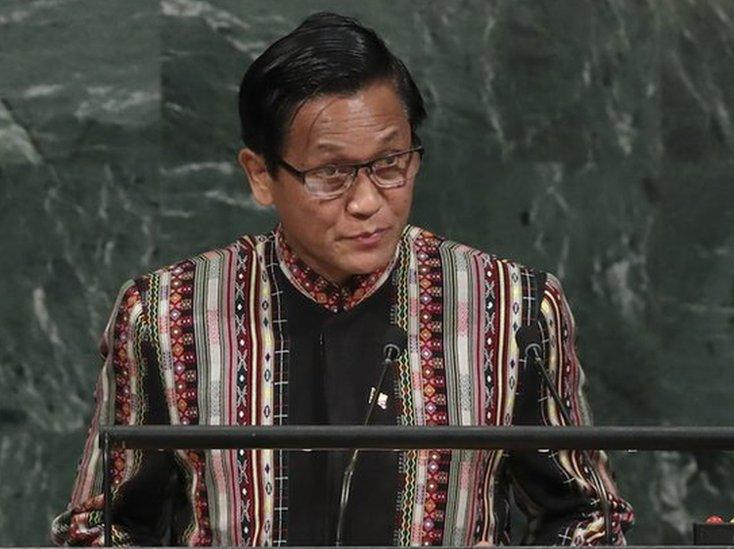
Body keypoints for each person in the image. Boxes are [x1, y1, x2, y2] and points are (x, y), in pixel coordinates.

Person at [51, 12, 633, 546]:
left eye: (389, 164)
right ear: (261, 175)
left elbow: (588, 517)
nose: (367, 202)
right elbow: (103, 526)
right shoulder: (167, 312)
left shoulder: (512, 307)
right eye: (330, 172)